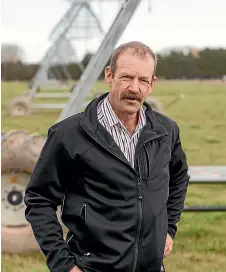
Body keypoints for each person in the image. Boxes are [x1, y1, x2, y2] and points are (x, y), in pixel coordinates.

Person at [24, 41, 190, 272]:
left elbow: (179, 178)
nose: (134, 87)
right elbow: (39, 199)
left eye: (143, 80)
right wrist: (64, 265)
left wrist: (169, 228)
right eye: (126, 77)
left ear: (152, 84)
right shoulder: (68, 135)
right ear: (109, 76)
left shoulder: (166, 131)